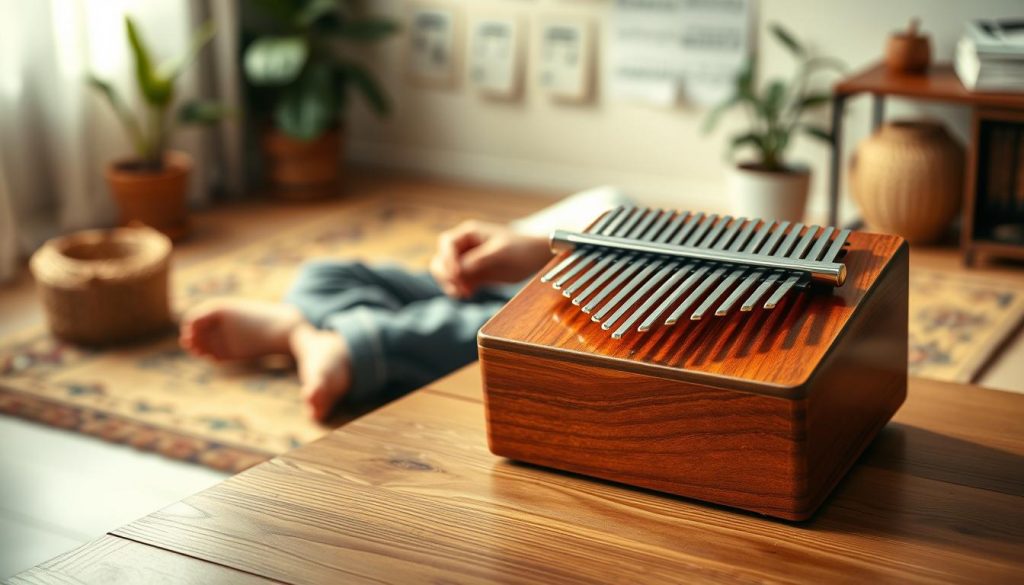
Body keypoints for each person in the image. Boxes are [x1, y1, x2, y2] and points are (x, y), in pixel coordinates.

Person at [179, 220, 554, 422]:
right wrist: (541, 248)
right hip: (546, 269)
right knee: (324, 274)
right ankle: (297, 329)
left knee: (488, 335)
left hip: (569, 309)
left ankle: (348, 346)